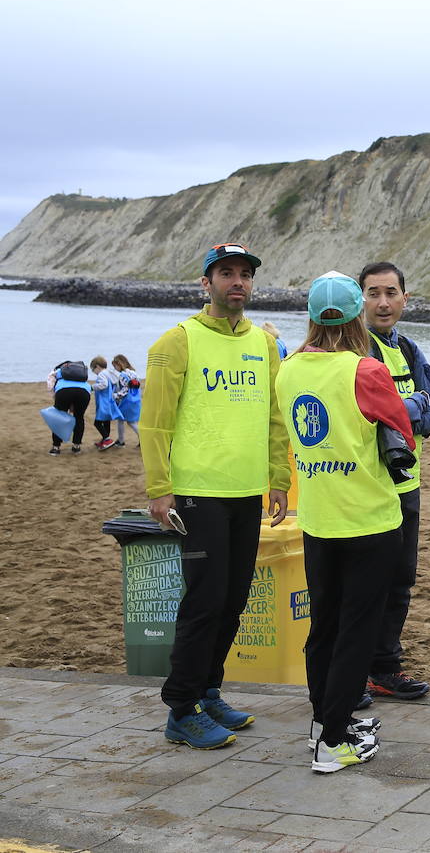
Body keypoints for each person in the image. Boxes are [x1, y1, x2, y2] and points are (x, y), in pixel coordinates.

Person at [141, 243, 290, 750]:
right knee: (204, 602)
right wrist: (160, 489)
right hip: (196, 494)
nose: (237, 282)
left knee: (233, 601)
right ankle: (181, 709)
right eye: (226, 273)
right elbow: (155, 421)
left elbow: (274, 416)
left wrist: (278, 478)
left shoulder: (264, 344)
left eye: (245, 274)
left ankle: (209, 692)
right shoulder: (177, 340)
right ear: (206, 283)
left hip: (246, 492)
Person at [278, 272, 413, 773]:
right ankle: (333, 740)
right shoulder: (365, 370)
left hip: (318, 518)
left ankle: (322, 723)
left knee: (323, 629)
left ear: (312, 317)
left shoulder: (288, 370)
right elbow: (403, 432)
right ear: (358, 313)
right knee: (357, 631)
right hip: (369, 519)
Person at [358, 261, 430, 704]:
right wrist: (412, 407)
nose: (382, 302)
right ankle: (353, 673)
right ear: (360, 300)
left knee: (400, 581)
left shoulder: (408, 349)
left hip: (407, 483)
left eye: (391, 292)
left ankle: (384, 668)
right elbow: (368, 411)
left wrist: (406, 408)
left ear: (404, 299)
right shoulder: (356, 350)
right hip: (365, 487)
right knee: (364, 584)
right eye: (373, 293)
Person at [46, 360, 91, 455]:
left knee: (58, 418)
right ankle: (76, 446)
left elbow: (50, 384)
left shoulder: (59, 371)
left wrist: (55, 396)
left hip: (63, 391)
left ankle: (56, 447)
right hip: (84, 392)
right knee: (79, 417)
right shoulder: (80, 372)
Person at [89, 356, 123, 451]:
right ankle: (105, 439)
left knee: (97, 422)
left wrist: (92, 387)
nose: (94, 372)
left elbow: (104, 384)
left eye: (93, 369)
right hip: (109, 400)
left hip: (104, 401)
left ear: (98, 367)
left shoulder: (101, 374)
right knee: (106, 421)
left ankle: (107, 439)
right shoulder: (109, 373)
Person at [111, 354, 141, 446]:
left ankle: (121, 441)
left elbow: (125, 389)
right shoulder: (134, 373)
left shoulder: (123, 375)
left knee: (125, 421)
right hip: (136, 400)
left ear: (119, 364)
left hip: (127, 401)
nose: (115, 369)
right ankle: (121, 440)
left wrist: (115, 395)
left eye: (115, 366)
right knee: (131, 421)